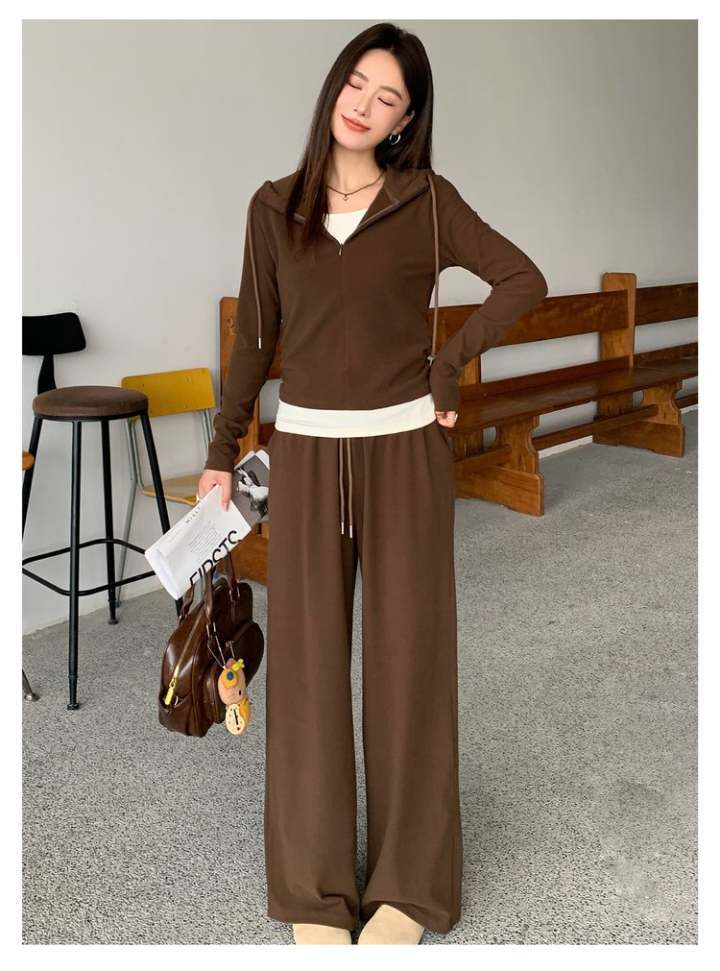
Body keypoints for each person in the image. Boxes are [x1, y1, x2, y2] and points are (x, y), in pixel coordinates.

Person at [197, 21, 547, 946]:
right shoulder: (274, 207)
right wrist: (223, 449)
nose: (364, 104)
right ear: (335, 86)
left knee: (409, 664)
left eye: (387, 96)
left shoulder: (428, 202)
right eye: (357, 82)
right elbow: (254, 342)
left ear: (405, 120)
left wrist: (449, 366)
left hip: (405, 456)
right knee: (308, 672)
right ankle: (312, 891)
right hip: (308, 459)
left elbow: (521, 278)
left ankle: (410, 889)